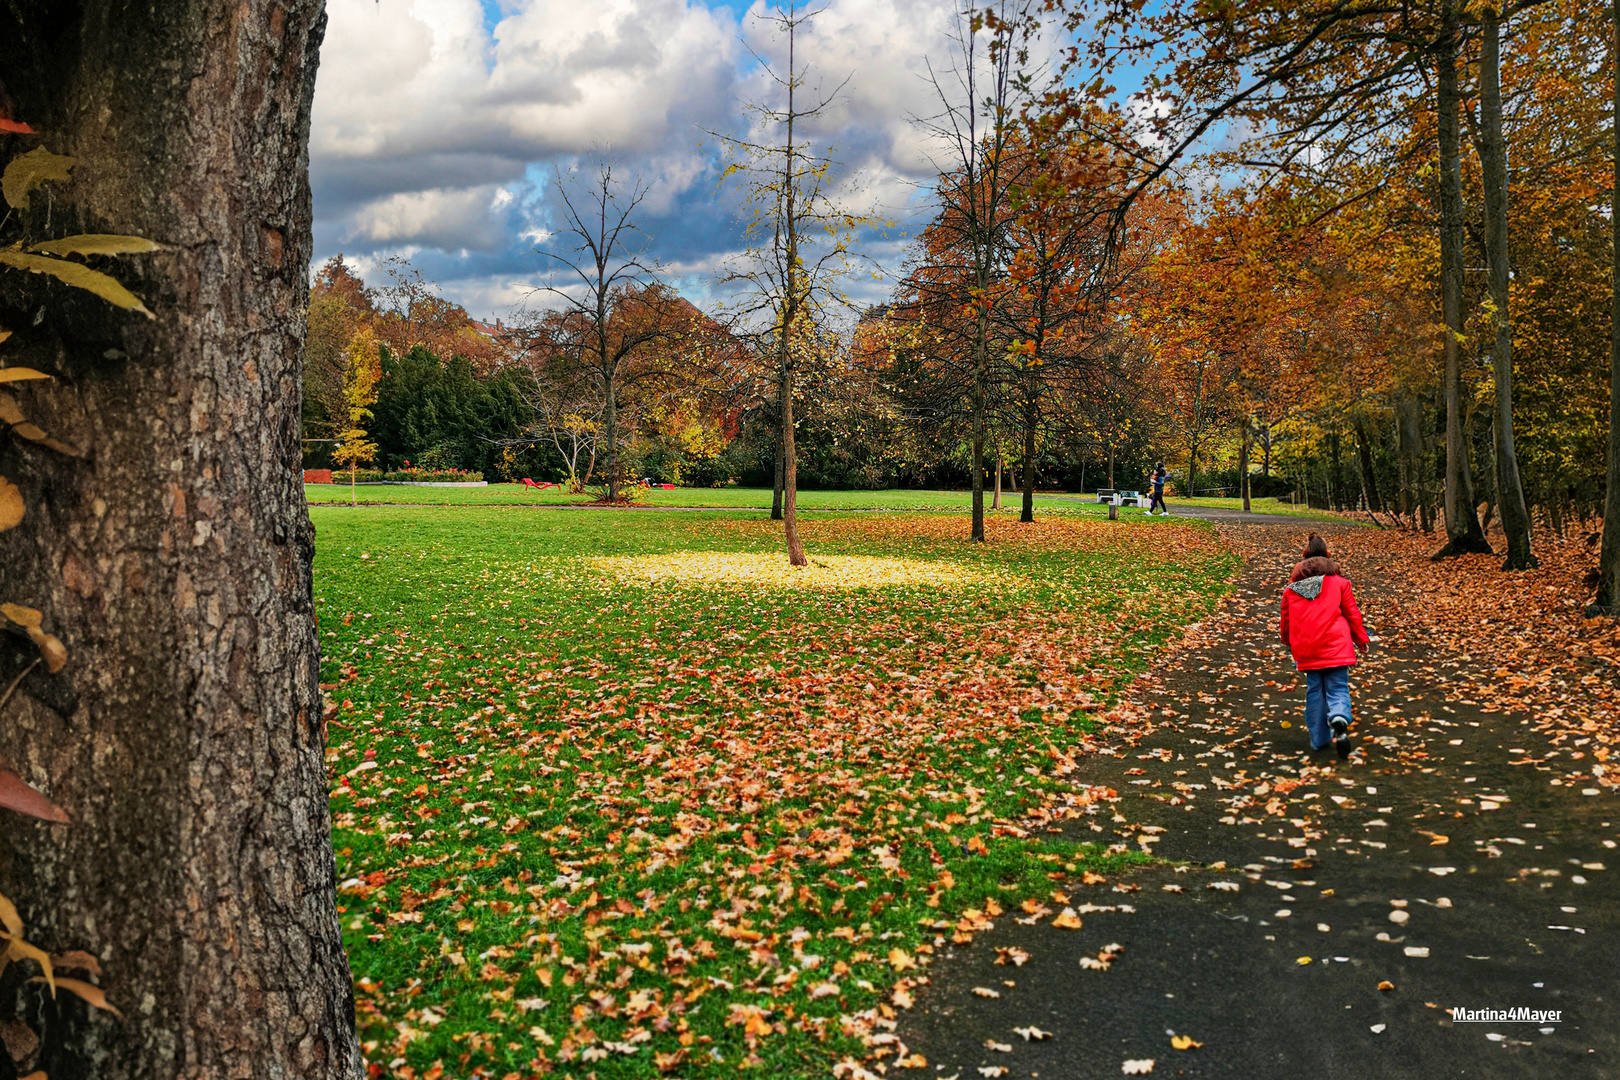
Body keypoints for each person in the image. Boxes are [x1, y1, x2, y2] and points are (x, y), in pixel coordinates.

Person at [1279, 534, 1371, 759]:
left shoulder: (1292, 589)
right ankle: (1339, 716)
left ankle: (1319, 739)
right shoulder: (1341, 584)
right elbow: (1352, 614)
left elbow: (1286, 620)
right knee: (1337, 687)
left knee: (1315, 690)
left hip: (1308, 648)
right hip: (1337, 645)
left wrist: (1289, 641)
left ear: (1304, 557)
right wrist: (1361, 640)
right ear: (1328, 555)